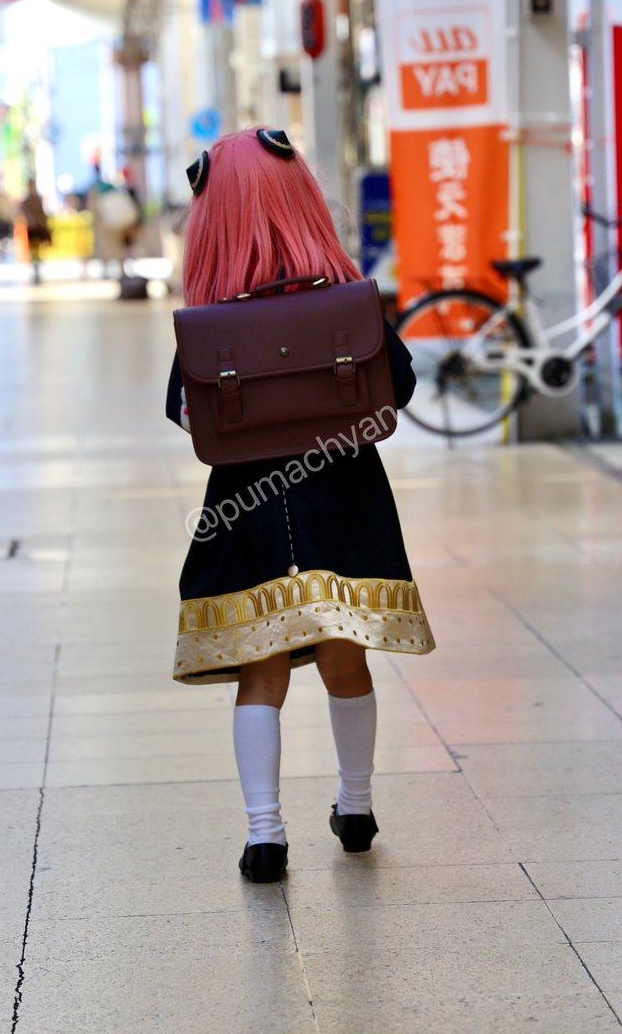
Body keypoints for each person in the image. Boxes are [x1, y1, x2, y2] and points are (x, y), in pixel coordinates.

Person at [165, 128, 435, 884]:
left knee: (263, 672)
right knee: (346, 657)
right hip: (345, 498)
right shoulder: (347, 305)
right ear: (304, 200)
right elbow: (400, 385)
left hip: (248, 508)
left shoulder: (209, 327)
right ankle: (357, 807)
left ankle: (265, 836)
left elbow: (185, 414)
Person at [19, 179, 51, 283]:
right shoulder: (26, 202)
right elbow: (23, 213)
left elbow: (42, 212)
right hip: (30, 228)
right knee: (32, 248)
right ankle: (34, 264)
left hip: (38, 227)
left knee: (37, 248)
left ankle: (37, 264)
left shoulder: (38, 200)